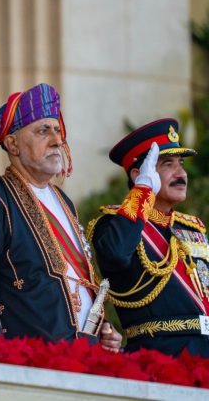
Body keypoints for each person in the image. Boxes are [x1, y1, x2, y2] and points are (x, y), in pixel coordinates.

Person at [0, 83, 121, 350]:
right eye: (43, 131)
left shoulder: (63, 201)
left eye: (57, 130)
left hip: (84, 359)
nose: (57, 140)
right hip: (30, 365)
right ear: (12, 143)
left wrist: (101, 332)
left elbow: (73, 285)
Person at [87, 119, 209, 357]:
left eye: (181, 164)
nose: (181, 173)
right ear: (139, 174)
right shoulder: (114, 224)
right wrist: (142, 191)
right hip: (160, 359)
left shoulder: (192, 228)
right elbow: (115, 254)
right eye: (167, 164)